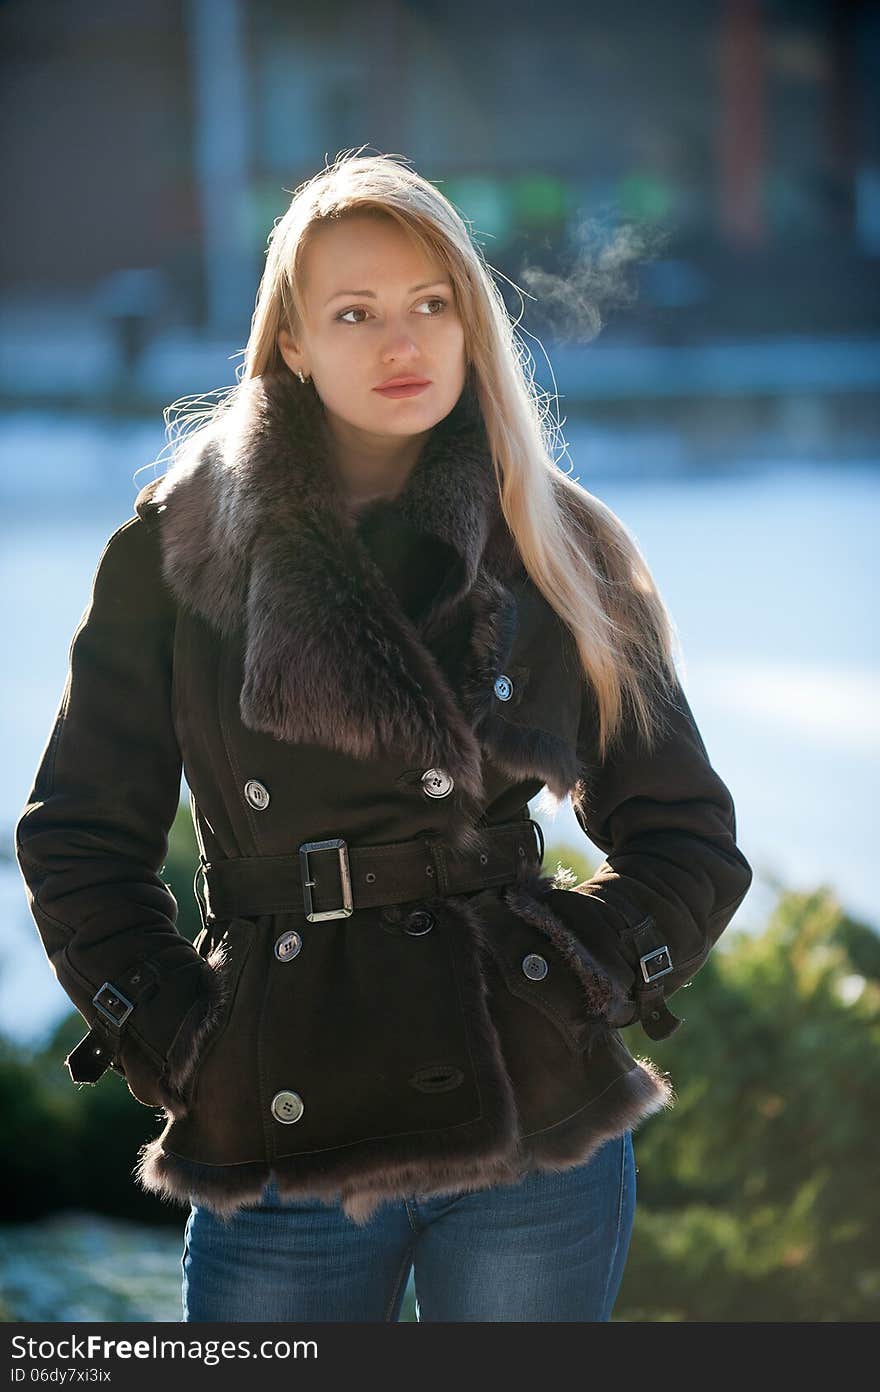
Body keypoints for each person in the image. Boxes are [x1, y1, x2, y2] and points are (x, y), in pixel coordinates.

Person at [14, 150, 753, 1323]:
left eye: (430, 304)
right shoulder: (174, 552)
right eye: (354, 313)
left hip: (532, 1119)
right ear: (293, 342)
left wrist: (580, 975)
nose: (400, 343)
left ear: (470, 324)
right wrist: (182, 1043)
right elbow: (77, 843)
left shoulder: (553, 543)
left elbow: (687, 839)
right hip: (280, 1121)